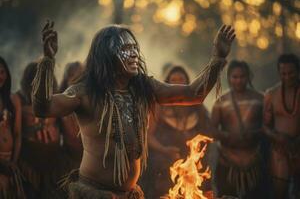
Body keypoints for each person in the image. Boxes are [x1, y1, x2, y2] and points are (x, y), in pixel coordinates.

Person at [32, 20, 235, 198]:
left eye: (134, 48)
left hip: (129, 195)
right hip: (93, 193)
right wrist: (48, 61)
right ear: (107, 55)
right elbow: (43, 108)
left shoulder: (144, 88)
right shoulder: (85, 92)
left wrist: (217, 59)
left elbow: (193, 94)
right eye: (125, 49)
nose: (134, 54)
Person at [143, 65, 211, 198]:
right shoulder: (158, 105)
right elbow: (147, 135)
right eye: (173, 80)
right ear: (167, 83)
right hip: (163, 166)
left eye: (181, 79)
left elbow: (208, 135)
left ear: (187, 83)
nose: (177, 83)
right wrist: (164, 150)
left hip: (193, 167)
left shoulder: (198, 108)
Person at [211, 60, 268, 199]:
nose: (238, 80)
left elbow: (269, 127)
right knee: (226, 195)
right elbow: (212, 130)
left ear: (248, 77)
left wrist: (255, 133)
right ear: (229, 78)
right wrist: (227, 136)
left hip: (254, 160)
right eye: (234, 77)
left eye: (242, 76)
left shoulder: (261, 99)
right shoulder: (221, 101)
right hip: (227, 161)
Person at [17, 62, 69, 198]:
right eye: (36, 81)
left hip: (54, 165)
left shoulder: (56, 102)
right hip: (29, 167)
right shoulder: (19, 103)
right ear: (29, 83)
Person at [263, 54, 300, 199]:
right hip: (279, 151)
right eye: (283, 73)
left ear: (298, 71)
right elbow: (265, 127)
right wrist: (279, 138)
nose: (287, 77)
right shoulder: (271, 94)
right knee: (280, 193)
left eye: (291, 73)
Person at [0, 56, 24, 198]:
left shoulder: (13, 99)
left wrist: (13, 162)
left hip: (10, 161)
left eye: (2, 72)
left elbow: (17, 134)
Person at [59, 61, 84, 168]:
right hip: (70, 163)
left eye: (80, 78)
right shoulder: (60, 106)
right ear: (66, 82)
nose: (76, 83)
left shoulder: (94, 103)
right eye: (73, 78)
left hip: (93, 163)